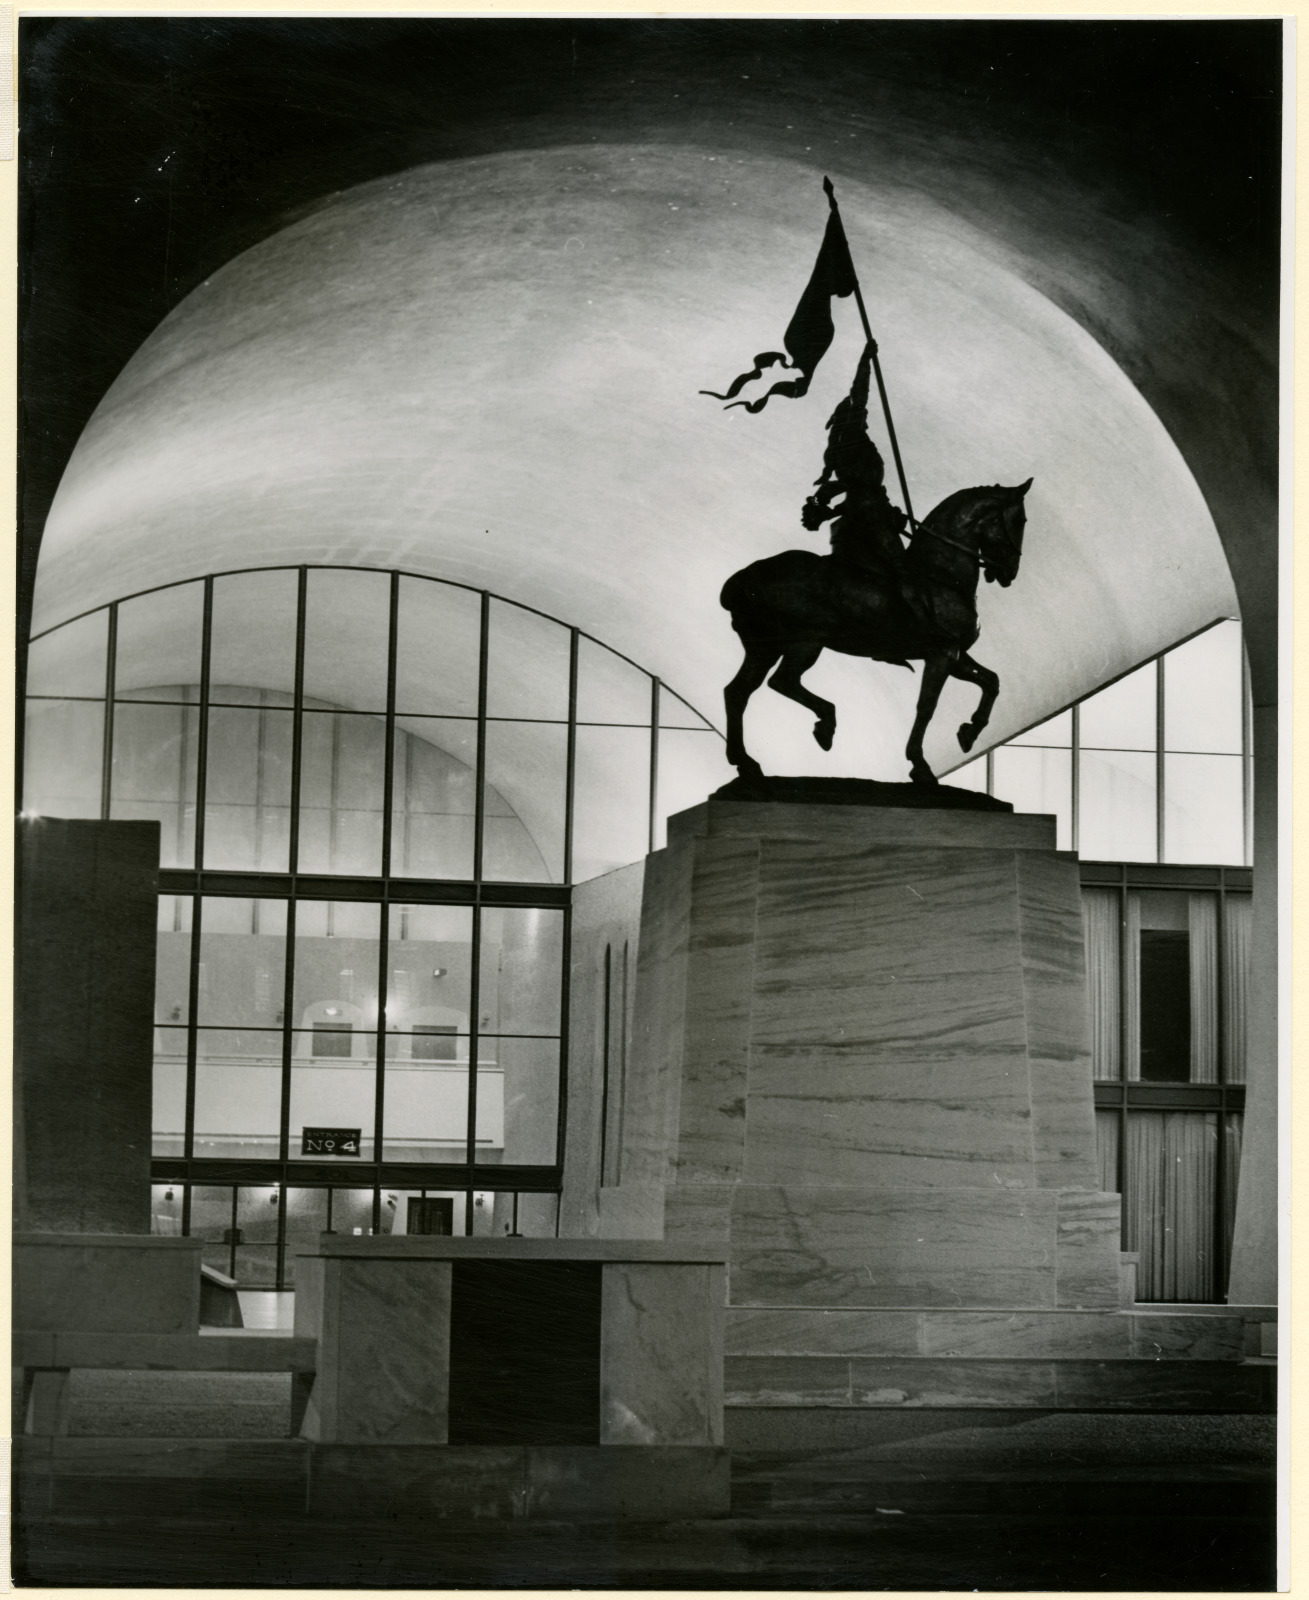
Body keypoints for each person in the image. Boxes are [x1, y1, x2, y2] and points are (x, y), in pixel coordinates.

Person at [801, 343, 911, 583]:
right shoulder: (852, 437)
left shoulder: (840, 453)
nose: (865, 418)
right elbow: (859, 392)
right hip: (872, 519)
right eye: (860, 415)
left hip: (863, 517)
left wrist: (821, 508)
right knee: (904, 571)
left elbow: (841, 490)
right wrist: (866, 359)